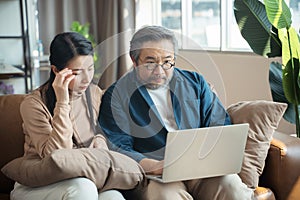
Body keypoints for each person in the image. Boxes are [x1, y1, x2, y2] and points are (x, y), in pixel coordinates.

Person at [99, 25, 254, 199]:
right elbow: (118, 146)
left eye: (167, 62)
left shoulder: (196, 82)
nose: (159, 71)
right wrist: (155, 165)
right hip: (155, 176)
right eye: (150, 63)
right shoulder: (117, 95)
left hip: (201, 169)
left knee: (231, 186)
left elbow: (219, 124)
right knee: (166, 196)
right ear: (134, 61)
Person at [10, 32, 125, 200]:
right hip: (38, 184)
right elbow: (56, 157)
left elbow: (105, 131)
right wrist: (62, 102)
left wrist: (100, 139)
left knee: (113, 196)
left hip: (84, 177)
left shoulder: (93, 93)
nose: (87, 79)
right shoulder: (33, 104)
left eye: (91, 69)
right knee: (83, 189)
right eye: (77, 72)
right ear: (56, 70)